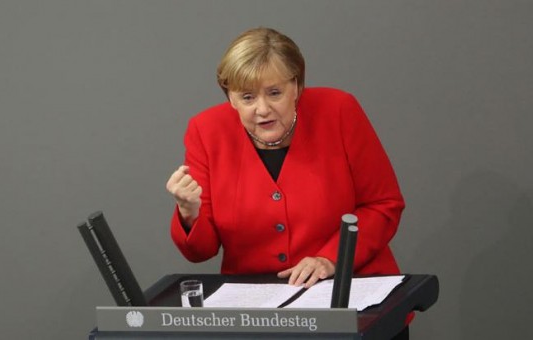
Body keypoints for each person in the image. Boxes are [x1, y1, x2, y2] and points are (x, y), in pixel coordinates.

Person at [166, 27, 408, 338]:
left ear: (296, 85)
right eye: (247, 97)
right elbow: (201, 251)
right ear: (230, 97)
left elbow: (384, 204)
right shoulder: (206, 131)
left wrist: (329, 259)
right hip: (260, 318)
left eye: (275, 93)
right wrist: (189, 213)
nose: (262, 109)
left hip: (354, 301)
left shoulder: (339, 111)